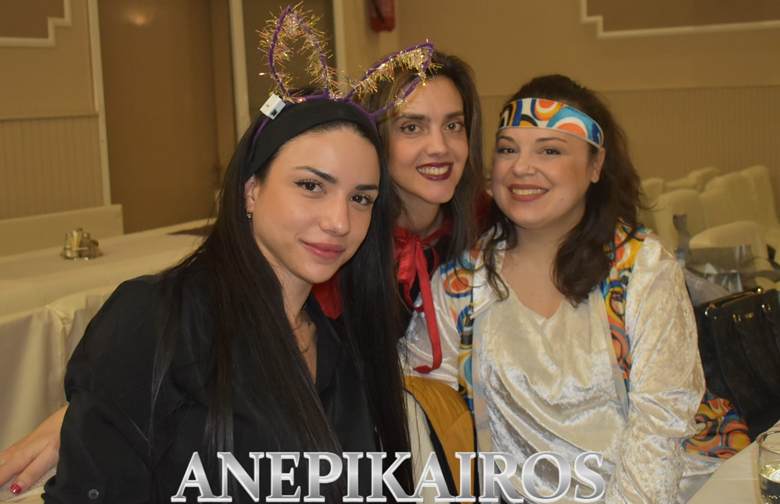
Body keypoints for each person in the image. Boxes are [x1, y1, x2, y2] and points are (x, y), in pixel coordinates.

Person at [0, 50, 486, 497]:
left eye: (360, 197)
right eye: (311, 186)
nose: (339, 221)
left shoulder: (343, 339)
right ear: (251, 190)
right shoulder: (158, 317)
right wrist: (99, 408)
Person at [404, 74, 715, 502]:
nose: (521, 167)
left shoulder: (642, 271)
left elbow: (660, 428)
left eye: (549, 150)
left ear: (595, 165)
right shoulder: (460, 285)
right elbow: (425, 416)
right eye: (507, 149)